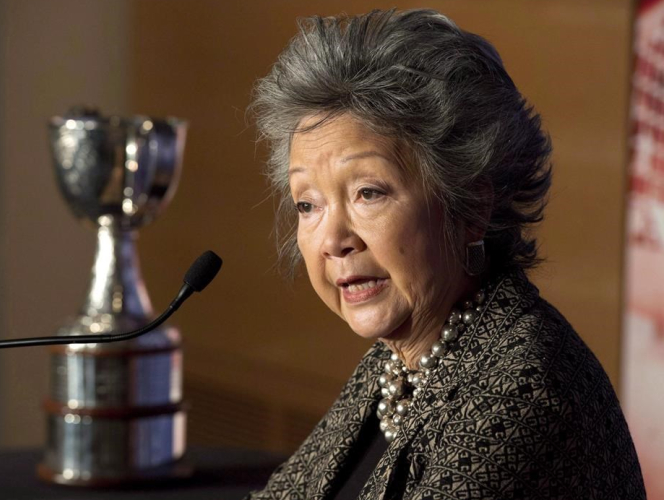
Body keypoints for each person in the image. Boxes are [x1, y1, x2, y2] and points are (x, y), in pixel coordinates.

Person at [244, 8, 645, 500]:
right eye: (308, 204)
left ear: (470, 206)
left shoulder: (522, 386)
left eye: (369, 192)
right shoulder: (396, 364)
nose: (333, 240)